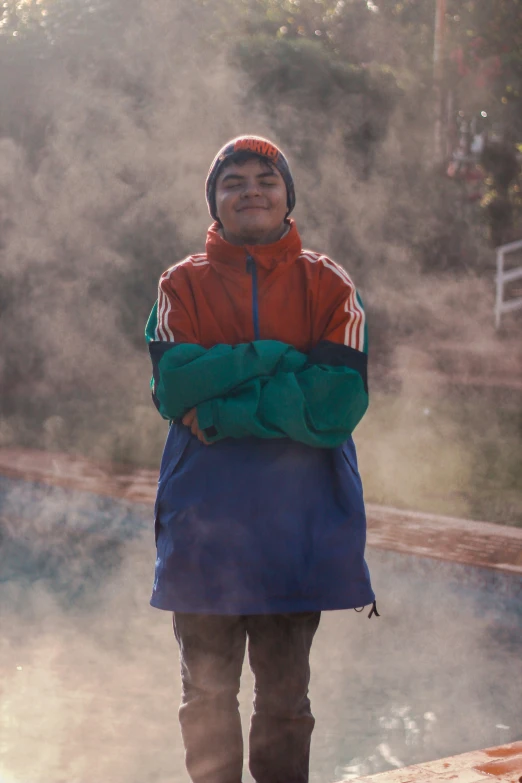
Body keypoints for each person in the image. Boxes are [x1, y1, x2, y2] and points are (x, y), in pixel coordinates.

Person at [145, 135, 377, 783]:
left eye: (266, 179)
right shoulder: (180, 284)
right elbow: (174, 386)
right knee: (207, 695)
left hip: (294, 527)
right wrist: (276, 356)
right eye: (233, 181)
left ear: (287, 195)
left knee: (283, 701)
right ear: (215, 203)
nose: (251, 189)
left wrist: (221, 410)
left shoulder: (329, 283)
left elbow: (335, 402)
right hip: (203, 528)